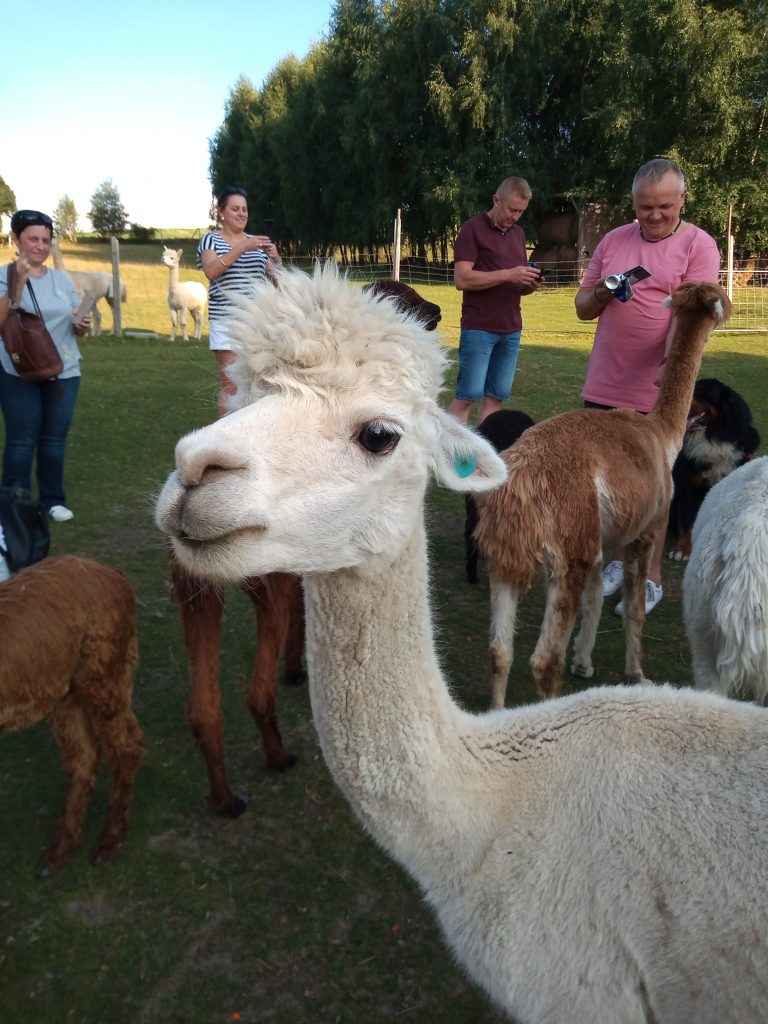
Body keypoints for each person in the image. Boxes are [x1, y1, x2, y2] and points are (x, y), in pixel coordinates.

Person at [574, 157, 721, 615]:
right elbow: (583, 307)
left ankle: (651, 577)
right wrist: (604, 291)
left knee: (655, 488)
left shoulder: (699, 245)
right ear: (633, 203)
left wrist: (669, 363)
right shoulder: (614, 240)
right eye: (644, 207)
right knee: (612, 482)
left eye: (664, 206)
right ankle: (620, 562)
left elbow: (691, 313)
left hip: (659, 391)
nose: (654, 215)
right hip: (606, 380)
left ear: (682, 199)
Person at [0, 209, 91, 529]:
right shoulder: (4, 275)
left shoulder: (60, 279)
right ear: (17, 240)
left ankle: (53, 500)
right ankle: (15, 502)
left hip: (63, 369)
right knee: (21, 439)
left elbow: (74, 322)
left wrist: (81, 324)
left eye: (46, 240)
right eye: (33, 239)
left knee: (54, 439)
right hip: (18, 370)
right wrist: (18, 283)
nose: (40, 246)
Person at [447, 176, 542, 426]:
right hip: (479, 328)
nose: (515, 217)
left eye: (521, 212)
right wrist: (509, 274)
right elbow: (462, 279)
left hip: (511, 329)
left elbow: (516, 285)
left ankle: (486, 449)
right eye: (512, 210)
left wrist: (529, 284)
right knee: (466, 398)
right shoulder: (472, 230)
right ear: (496, 200)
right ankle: (446, 449)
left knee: (495, 399)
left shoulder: (518, 234)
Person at [197, 186, 282, 417]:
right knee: (231, 385)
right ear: (221, 212)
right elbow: (211, 271)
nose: (241, 213)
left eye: (244, 209)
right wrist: (242, 247)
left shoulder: (257, 243)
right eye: (235, 209)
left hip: (257, 324)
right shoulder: (210, 240)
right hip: (227, 323)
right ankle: (225, 432)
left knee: (257, 384)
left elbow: (278, 282)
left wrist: (275, 258)